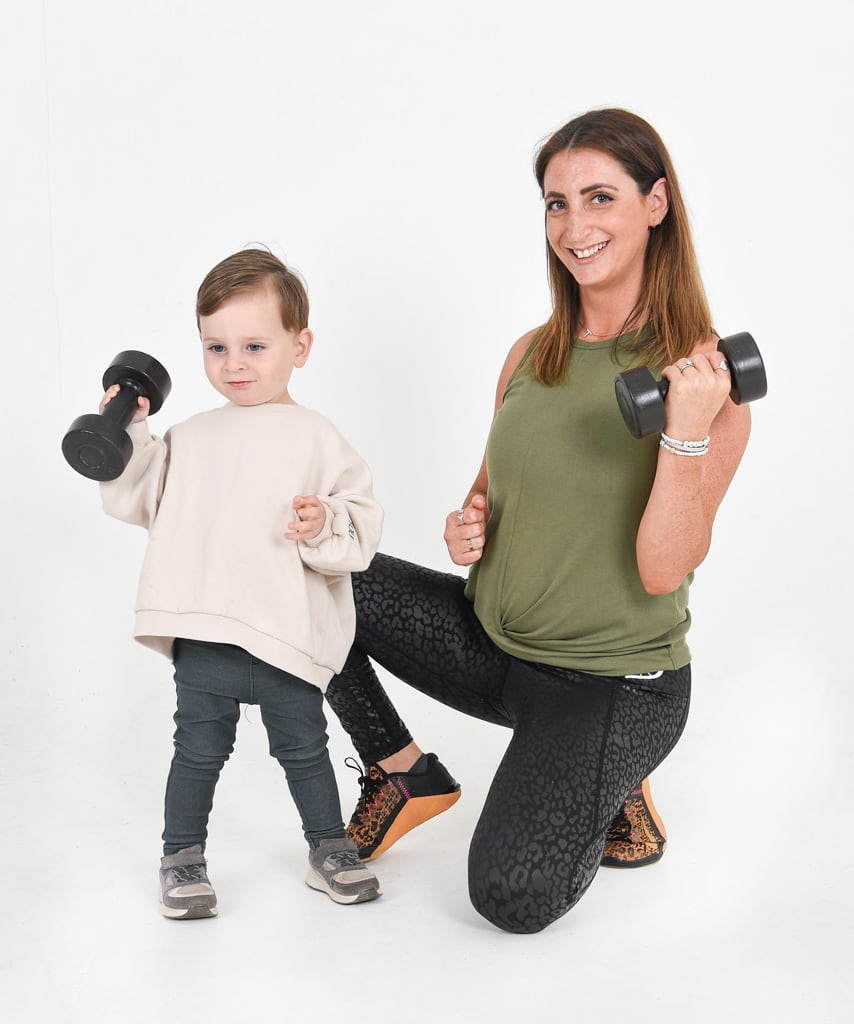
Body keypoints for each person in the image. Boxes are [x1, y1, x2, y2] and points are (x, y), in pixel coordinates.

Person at [324, 107, 751, 934]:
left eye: (599, 198)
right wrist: (466, 527)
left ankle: (614, 780)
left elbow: (664, 569)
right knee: (311, 576)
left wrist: (688, 431)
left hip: (612, 686)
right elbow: (487, 496)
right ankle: (402, 773)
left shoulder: (707, 384)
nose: (575, 225)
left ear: (655, 203)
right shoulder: (530, 353)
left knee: (512, 898)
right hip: (494, 646)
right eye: (557, 203)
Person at [98, 248, 384, 918]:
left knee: (306, 749)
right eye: (216, 347)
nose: (234, 364)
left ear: (300, 345)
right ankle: (181, 857)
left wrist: (322, 520)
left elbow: (361, 528)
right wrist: (126, 428)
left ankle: (328, 846)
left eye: (255, 345)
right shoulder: (190, 438)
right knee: (197, 751)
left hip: (283, 630)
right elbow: (132, 496)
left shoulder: (318, 437)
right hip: (206, 632)